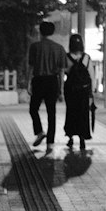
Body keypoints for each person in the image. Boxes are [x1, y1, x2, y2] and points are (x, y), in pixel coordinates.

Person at [27, 18, 68, 154]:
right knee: (52, 112)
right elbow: (62, 70)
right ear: (52, 32)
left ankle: (39, 132)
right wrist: (61, 89)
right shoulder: (59, 48)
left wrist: (28, 83)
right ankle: (50, 142)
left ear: (40, 32)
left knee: (33, 109)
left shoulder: (34, 47)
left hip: (38, 80)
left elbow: (31, 67)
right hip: (52, 81)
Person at [63, 32, 94, 152]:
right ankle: (82, 138)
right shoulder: (86, 58)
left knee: (71, 113)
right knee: (83, 114)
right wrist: (92, 93)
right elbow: (91, 75)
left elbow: (63, 73)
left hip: (71, 91)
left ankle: (70, 137)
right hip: (84, 91)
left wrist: (61, 90)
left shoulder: (66, 57)